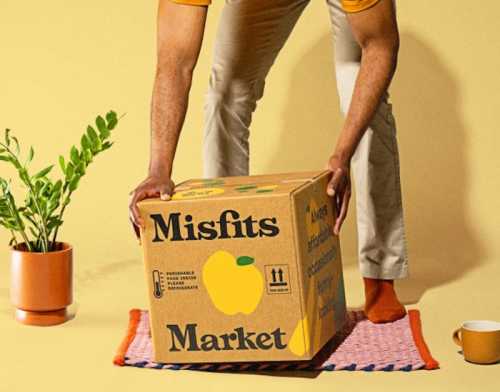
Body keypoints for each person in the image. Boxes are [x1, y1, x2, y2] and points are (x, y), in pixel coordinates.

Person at [129, 0, 408, 323]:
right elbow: (174, 61)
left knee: (358, 90)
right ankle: (225, 255)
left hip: (364, 21)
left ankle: (380, 273)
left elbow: (380, 46)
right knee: (226, 91)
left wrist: (341, 156)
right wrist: (158, 169)